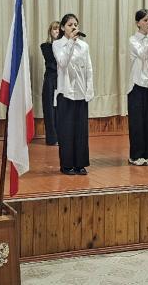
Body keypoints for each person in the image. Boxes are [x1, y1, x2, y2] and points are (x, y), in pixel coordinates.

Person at [53, 13, 94, 175]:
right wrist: (70, 42)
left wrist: (89, 89)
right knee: (67, 130)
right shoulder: (58, 44)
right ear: (63, 27)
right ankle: (67, 165)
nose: (74, 27)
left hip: (81, 92)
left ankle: (80, 164)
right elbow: (63, 63)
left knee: (81, 130)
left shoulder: (84, 46)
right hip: (66, 93)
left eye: (75, 24)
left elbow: (89, 69)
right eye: (70, 25)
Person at [127, 9, 148, 166]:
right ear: (138, 23)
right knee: (137, 121)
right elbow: (143, 55)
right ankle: (136, 155)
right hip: (137, 84)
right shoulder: (133, 40)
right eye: (145, 20)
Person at [40, 21, 60, 145]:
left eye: (58, 29)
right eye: (54, 29)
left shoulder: (65, 46)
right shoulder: (46, 46)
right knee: (49, 109)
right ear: (50, 32)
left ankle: (62, 136)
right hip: (50, 80)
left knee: (61, 109)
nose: (57, 31)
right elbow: (52, 61)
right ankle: (52, 138)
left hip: (62, 80)